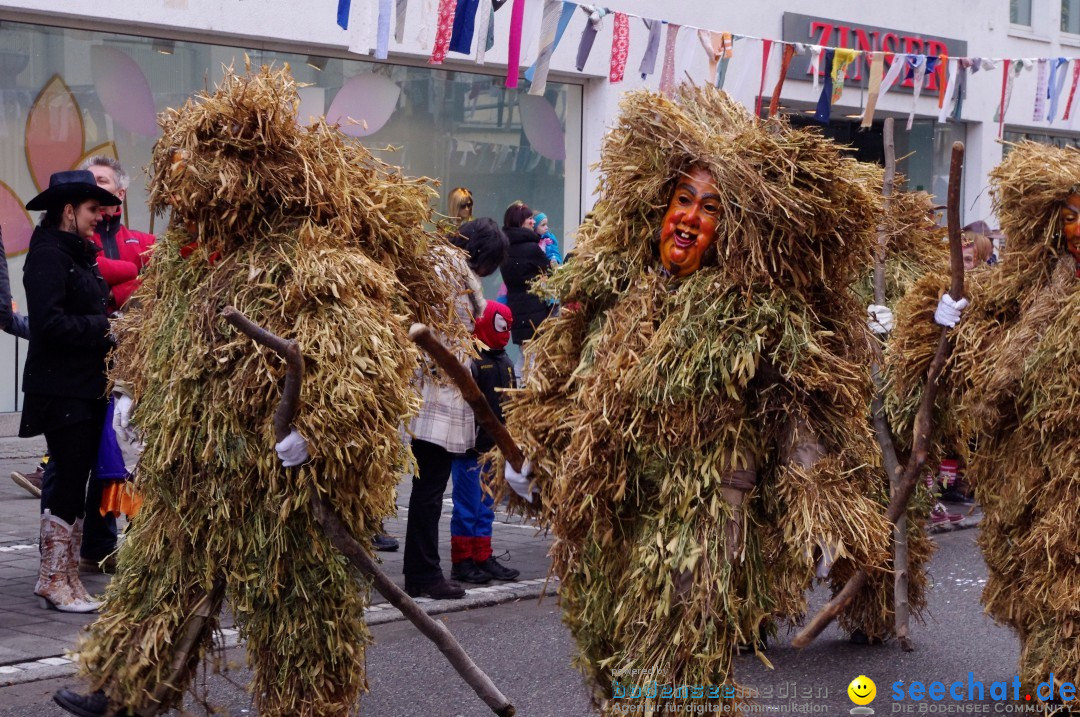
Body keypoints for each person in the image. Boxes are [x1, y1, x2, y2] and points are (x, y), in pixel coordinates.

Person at [53, 65, 465, 717]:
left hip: (280, 485)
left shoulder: (314, 262)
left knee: (296, 608)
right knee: (159, 579)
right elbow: (153, 344)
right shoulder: (188, 268)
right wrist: (138, 400)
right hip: (196, 474)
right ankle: (125, 685)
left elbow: (360, 365)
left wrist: (317, 437)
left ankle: (307, 704)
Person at [501, 86, 891, 710]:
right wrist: (528, 458)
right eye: (682, 200)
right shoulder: (613, 297)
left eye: (708, 209)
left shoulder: (750, 316)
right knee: (606, 656)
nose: (689, 218)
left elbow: (792, 413)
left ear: (726, 230)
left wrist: (820, 501)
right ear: (660, 207)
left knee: (672, 666)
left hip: (701, 517)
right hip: (609, 510)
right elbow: (566, 392)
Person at [888, 140, 1080, 709]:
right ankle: (1048, 673)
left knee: (1067, 578)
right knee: (1029, 572)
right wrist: (945, 317)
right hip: (1027, 467)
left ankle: (1062, 681)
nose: (1079, 229)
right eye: (1070, 216)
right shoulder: (1029, 290)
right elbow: (974, 360)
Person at [19, 170, 121, 613]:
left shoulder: (76, 253)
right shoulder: (47, 255)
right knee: (66, 481)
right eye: (92, 209)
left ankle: (68, 578)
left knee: (78, 479)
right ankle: (52, 579)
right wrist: (108, 329)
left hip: (85, 385)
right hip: (61, 389)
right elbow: (49, 324)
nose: (100, 215)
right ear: (67, 211)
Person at [405, 217, 508, 601]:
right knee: (430, 488)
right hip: (438, 392)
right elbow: (446, 335)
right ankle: (424, 574)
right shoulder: (450, 273)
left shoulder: (441, 264)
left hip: (433, 390)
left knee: (427, 486)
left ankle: (422, 570)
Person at [449, 300, 520, 584]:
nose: (505, 332)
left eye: (507, 327)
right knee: (467, 505)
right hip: (470, 449)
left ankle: (482, 555)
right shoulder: (473, 360)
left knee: (487, 505)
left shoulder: (506, 361)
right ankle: (462, 561)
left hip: (494, 449)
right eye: (500, 325)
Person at [499, 202, 551, 347]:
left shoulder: (504, 249)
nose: (533, 221)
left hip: (516, 309)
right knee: (534, 357)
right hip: (534, 310)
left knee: (524, 355)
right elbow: (551, 272)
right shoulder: (531, 248)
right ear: (519, 221)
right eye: (529, 218)